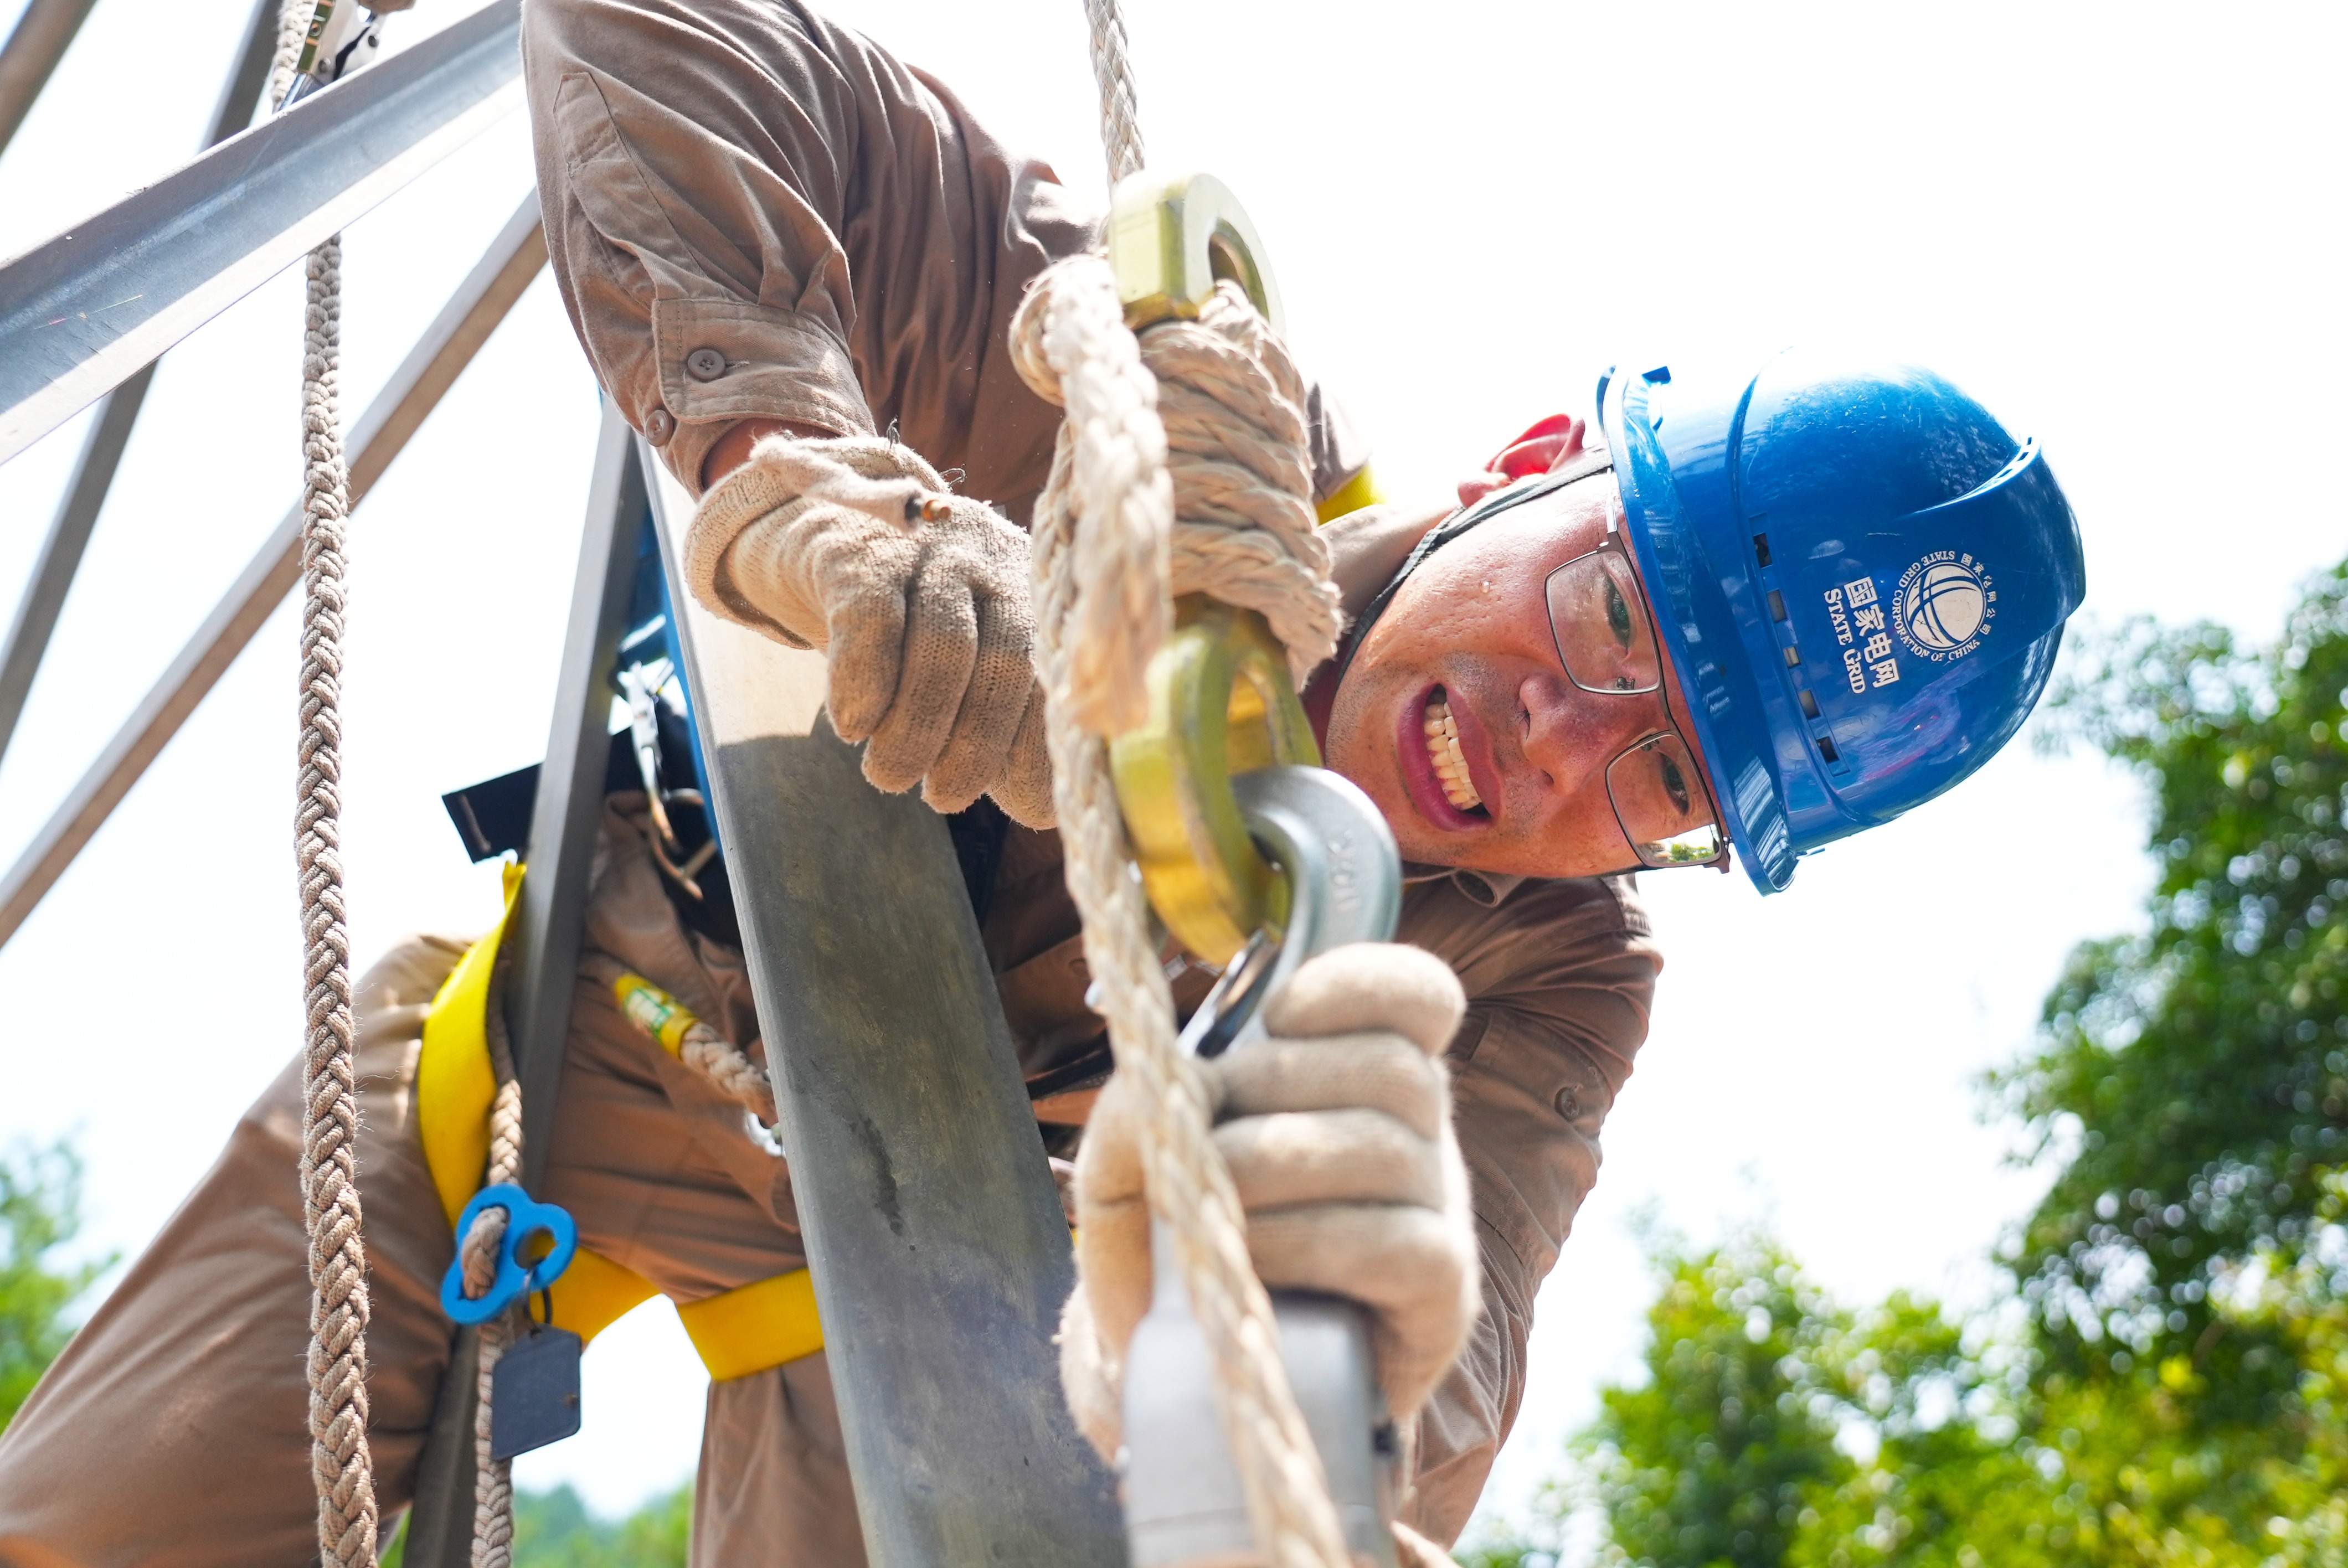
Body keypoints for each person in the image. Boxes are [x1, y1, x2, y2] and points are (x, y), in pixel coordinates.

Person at [0, 1, 2084, 1565]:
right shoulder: (1153, 408)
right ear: (1537, 463)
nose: (1558, 740)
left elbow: (1420, 1403)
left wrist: (1316, 1333)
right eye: (1615, 615)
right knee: (83, 1539)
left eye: (1664, 775)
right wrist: (803, 480)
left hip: (943, 1280)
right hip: (580, 1029)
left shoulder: (1543, 977)